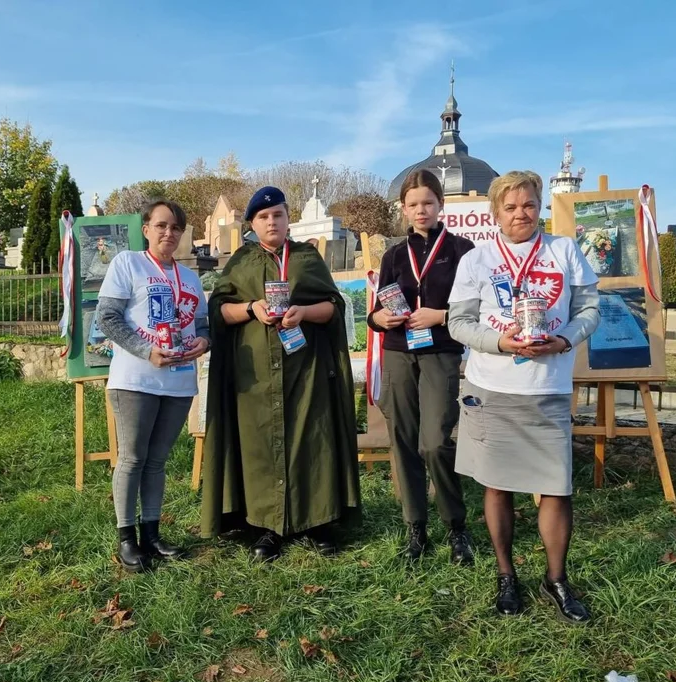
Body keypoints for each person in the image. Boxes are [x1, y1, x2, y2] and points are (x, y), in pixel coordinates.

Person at [447, 170, 600, 623]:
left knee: (556, 487)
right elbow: (459, 323)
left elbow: (590, 308)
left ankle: (556, 579)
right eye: (510, 207)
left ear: (540, 207)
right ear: (495, 213)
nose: (521, 213)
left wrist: (566, 340)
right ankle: (506, 575)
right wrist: (501, 343)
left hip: (546, 387)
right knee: (498, 485)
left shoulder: (564, 251)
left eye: (529, 204)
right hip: (492, 386)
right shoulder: (477, 259)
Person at [201, 186, 361, 561]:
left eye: (278, 215)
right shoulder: (239, 263)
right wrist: (251, 309)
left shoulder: (306, 258)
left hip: (305, 372)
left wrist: (303, 313)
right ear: (253, 224)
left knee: (310, 441)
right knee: (258, 445)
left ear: (288, 219)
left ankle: (316, 522)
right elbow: (219, 311)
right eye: (263, 217)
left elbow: (333, 308)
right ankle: (267, 527)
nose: (271, 222)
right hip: (253, 374)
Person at [367, 169, 476, 563]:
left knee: (434, 442)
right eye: (413, 204)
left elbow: (475, 310)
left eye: (428, 203)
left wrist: (440, 316)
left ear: (440, 204)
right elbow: (377, 310)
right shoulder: (394, 255)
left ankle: (455, 526)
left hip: (440, 353)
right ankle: (415, 527)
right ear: (403, 209)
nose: (420, 210)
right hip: (398, 351)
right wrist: (380, 319)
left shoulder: (463, 251)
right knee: (404, 441)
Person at [97, 200, 210, 572]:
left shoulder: (191, 278)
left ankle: (153, 534)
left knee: (157, 461)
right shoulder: (128, 264)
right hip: (136, 379)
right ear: (146, 228)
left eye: (176, 228)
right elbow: (108, 318)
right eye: (161, 225)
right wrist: (148, 351)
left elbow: (204, 326)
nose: (169, 233)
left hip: (177, 383)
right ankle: (127, 538)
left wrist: (203, 343)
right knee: (132, 458)